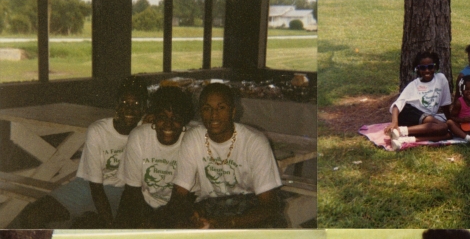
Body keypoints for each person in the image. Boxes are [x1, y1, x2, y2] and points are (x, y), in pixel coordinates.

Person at [13, 76, 148, 229]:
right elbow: (95, 186)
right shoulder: (98, 130)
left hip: (116, 192)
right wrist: (110, 223)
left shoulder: (146, 132)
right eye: (124, 103)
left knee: (83, 227)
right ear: (117, 105)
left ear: (144, 108)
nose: (130, 109)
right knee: (31, 216)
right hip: (85, 186)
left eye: (136, 104)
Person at [167, 83, 284, 228]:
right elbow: (178, 195)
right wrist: (190, 215)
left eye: (221, 108)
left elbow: (269, 205)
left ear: (233, 111)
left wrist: (228, 223)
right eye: (207, 109)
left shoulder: (255, 142)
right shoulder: (193, 138)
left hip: (248, 208)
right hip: (209, 207)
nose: (213, 115)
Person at [115, 86, 194, 228]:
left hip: (180, 204)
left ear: (184, 121)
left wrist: (157, 222)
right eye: (162, 117)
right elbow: (132, 191)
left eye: (175, 118)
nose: (168, 124)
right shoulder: (139, 136)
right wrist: (144, 222)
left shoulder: (192, 140)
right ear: (154, 118)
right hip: (143, 201)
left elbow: (186, 198)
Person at [384, 51, 451, 149]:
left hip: (424, 121)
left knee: (448, 134)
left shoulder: (441, 79)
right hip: (409, 113)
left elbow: (445, 105)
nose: (427, 70)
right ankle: (399, 131)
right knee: (442, 127)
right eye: (423, 68)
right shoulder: (414, 85)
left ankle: (403, 139)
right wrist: (394, 123)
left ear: (435, 67)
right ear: (418, 69)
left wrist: (451, 120)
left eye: (430, 67)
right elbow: (397, 105)